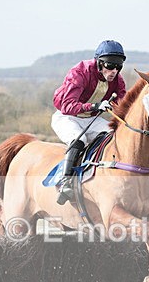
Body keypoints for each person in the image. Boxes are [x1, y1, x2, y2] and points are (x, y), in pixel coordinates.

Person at [51, 40, 127, 204]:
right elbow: (67, 105)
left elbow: (123, 106)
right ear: (99, 62)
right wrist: (95, 105)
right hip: (67, 117)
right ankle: (66, 182)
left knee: (113, 137)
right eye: (110, 65)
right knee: (80, 140)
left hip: (91, 118)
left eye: (118, 66)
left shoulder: (117, 80)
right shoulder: (80, 72)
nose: (114, 71)